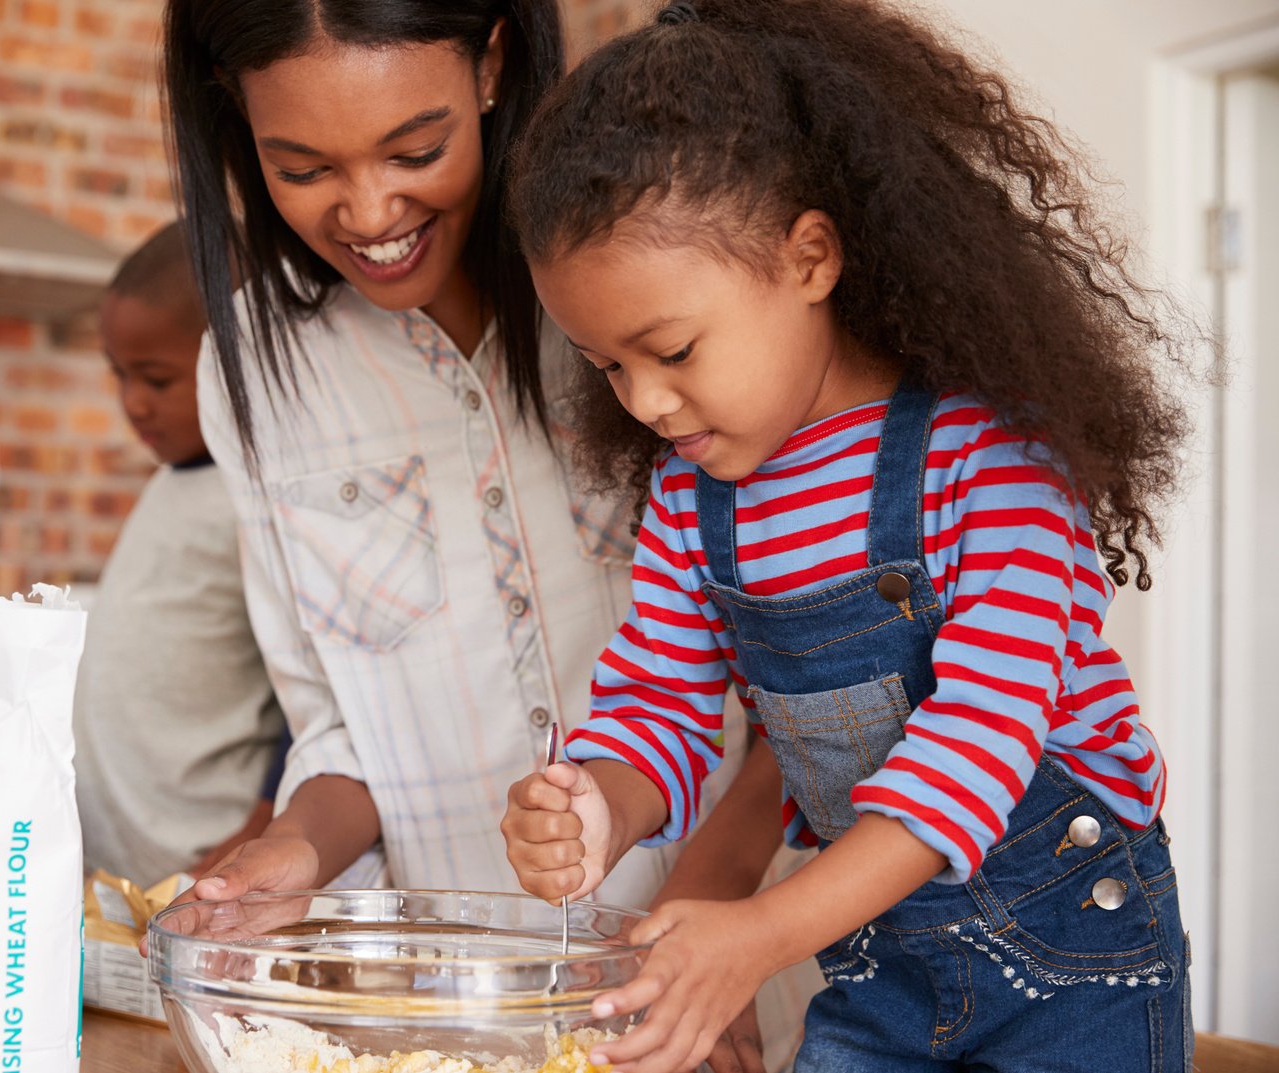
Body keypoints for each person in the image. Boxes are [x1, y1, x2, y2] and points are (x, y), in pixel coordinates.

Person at [499, 1, 1193, 1071]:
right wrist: (597, 805)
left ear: (810, 256)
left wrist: (762, 935)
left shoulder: (988, 461)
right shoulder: (696, 501)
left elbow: (973, 747)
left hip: (1074, 958)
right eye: (608, 366)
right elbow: (658, 707)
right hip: (882, 966)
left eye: (672, 348)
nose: (644, 401)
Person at [159, 2, 821, 1069]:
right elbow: (339, 732)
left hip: (749, 984)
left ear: (493, 63)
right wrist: (289, 852)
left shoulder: (639, 295)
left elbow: (816, 660)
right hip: (459, 1020)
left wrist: (701, 928)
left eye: (414, 149)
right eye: (300, 168)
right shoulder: (255, 374)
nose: (370, 208)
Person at [73, 221, 288, 884]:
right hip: (120, 869)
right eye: (120, 374)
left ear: (239, 360)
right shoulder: (172, 479)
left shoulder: (259, 499)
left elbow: (308, 692)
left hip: (209, 863)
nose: (133, 401)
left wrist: (264, 825)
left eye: (157, 379)